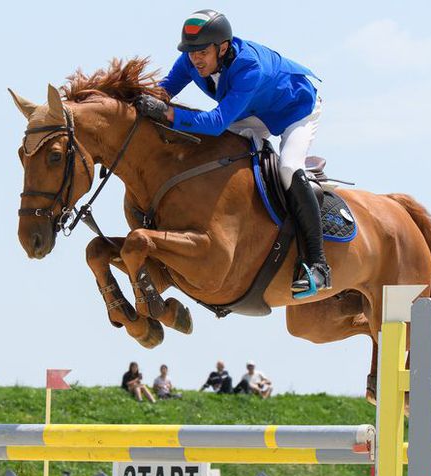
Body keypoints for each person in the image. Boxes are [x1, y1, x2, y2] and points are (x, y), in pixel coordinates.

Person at [134, 9, 330, 295]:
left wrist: (168, 114)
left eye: (202, 51)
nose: (195, 58)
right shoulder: (190, 60)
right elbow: (164, 92)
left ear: (222, 47)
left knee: (288, 168)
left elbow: (214, 123)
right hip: (252, 112)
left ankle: (318, 265)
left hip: (295, 110)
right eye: (191, 52)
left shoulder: (249, 67)